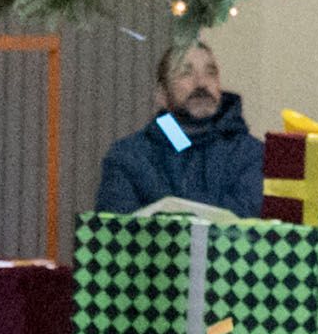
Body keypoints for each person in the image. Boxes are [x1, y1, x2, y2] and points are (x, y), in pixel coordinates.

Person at [93, 38, 264, 216]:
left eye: (210, 73)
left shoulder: (252, 155)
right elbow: (115, 234)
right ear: (161, 94)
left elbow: (246, 226)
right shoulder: (129, 157)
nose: (201, 83)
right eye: (186, 73)